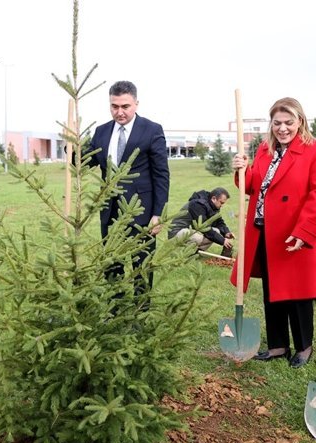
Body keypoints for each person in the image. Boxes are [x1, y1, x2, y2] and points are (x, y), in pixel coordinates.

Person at [230, 97, 316, 369]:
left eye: (288, 122)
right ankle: (277, 345)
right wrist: (242, 169)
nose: (282, 128)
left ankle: (304, 346)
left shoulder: (314, 149)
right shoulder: (265, 149)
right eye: (277, 123)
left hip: (293, 233)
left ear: (300, 121)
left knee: (297, 293)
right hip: (265, 230)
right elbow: (252, 186)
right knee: (272, 289)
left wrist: (304, 230)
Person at [88, 81, 170, 294]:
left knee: (141, 265)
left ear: (136, 104)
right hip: (110, 211)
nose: (120, 112)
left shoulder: (152, 130)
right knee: (112, 264)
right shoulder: (101, 132)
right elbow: (87, 160)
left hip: (141, 212)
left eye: (125, 106)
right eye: (114, 106)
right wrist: (71, 148)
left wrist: (157, 213)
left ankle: (139, 315)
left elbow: (161, 174)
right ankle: (114, 312)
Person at [168, 187, 233, 256]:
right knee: (198, 237)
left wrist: (226, 232)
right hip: (177, 232)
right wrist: (222, 241)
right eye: (221, 203)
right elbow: (204, 228)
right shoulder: (197, 205)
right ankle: (186, 254)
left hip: (191, 230)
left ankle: (196, 253)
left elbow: (218, 221)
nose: (222, 205)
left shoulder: (212, 205)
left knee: (216, 231)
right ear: (214, 198)